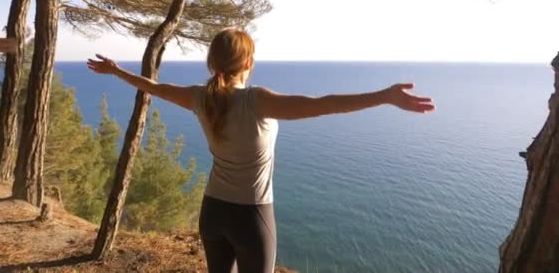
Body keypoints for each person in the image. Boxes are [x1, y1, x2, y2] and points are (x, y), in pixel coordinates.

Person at [87, 28, 435, 273]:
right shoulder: (257, 101)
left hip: (212, 212)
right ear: (248, 62)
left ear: (213, 64)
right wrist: (384, 97)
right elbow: (326, 104)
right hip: (251, 217)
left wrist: (117, 71)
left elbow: (155, 88)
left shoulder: (199, 97)